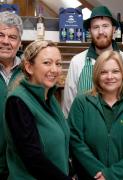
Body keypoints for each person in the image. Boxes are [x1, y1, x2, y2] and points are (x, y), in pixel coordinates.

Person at [68, 50, 123, 180]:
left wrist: (111, 175)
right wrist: (99, 173)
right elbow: (76, 141)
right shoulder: (82, 103)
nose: (109, 76)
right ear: (97, 75)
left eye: (115, 71)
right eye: (103, 72)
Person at [4, 40, 72, 180]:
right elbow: (33, 158)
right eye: (47, 63)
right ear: (29, 67)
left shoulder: (49, 98)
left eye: (58, 63)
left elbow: (60, 145)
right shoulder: (18, 101)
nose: (54, 69)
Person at [62, 6, 123, 117]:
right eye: (95, 27)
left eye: (105, 26)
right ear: (89, 31)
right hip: (84, 132)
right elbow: (69, 105)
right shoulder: (77, 62)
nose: (101, 31)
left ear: (113, 29)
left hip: (120, 132)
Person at [0, 11, 23, 179]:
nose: (5, 41)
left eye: (12, 37)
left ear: (19, 43)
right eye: (0, 35)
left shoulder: (30, 73)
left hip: (22, 166)